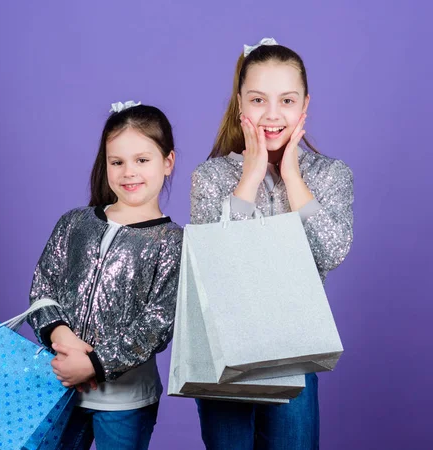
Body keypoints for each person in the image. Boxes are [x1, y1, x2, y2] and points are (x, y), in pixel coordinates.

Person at [190, 37, 354, 449]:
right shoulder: (210, 177)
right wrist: (250, 176)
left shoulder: (331, 175)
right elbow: (216, 266)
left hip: (294, 351)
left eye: (287, 100)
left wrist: (294, 177)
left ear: (305, 105)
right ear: (240, 104)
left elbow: (330, 251)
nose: (273, 114)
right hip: (223, 354)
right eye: (259, 100)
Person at [27, 101, 183, 450]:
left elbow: (157, 324)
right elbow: (42, 287)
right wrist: (61, 335)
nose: (129, 172)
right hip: (59, 388)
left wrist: (94, 364)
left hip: (126, 403)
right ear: (106, 164)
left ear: (167, 162)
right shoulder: (75, 223)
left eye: (142, 160)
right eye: (118, 162)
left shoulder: (173, 243)